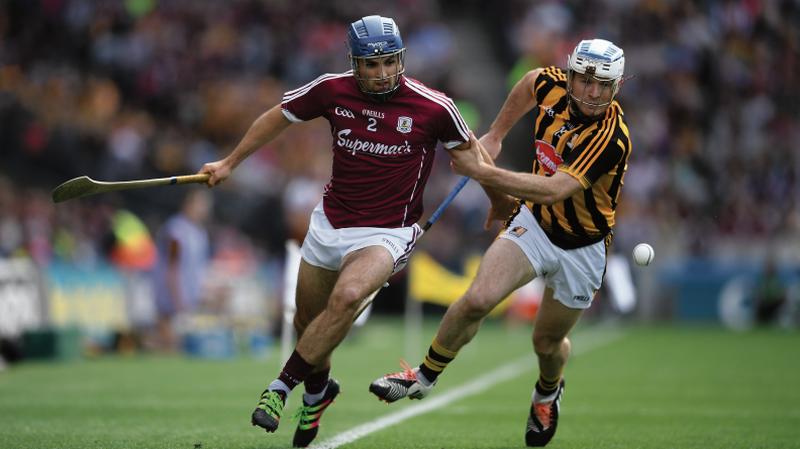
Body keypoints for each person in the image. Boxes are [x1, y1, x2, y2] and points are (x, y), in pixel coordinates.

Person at [198, 15, 472, 447]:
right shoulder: (331, 89)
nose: (381, 73)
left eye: (389, 62)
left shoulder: (434, 107)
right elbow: (278, 116)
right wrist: (230, 162)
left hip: (388, 233)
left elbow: (474, 158)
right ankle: (318, 394)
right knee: (309, 321)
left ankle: (280, 388)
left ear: (401, 59)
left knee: (345, 300)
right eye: (370, 64)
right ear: (354, 63)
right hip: (329, 223)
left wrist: (502, 197)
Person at [369, 38, 632, 447]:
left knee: (546, 343)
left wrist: (484, 172)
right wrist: (496, 134)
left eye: (604, 85)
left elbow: (555, 189)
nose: (593, 93)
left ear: (616, 87)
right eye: (585, 81)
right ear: (572, 74)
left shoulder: (611, 136)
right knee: (476, 299)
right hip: (536, 226)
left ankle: (547, 391)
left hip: (582, 247)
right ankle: (423, 378)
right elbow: (529, 83)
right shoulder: (552, 84)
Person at [151, 188, 212, 352]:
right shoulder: (175, 230)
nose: (205, 208)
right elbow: (172, 267)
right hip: (171, 294)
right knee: (169, 343)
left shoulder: (200, 232)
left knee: (182, 347)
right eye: (201, 203)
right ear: (188, 204)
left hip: (190, 295)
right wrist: (177, 298)